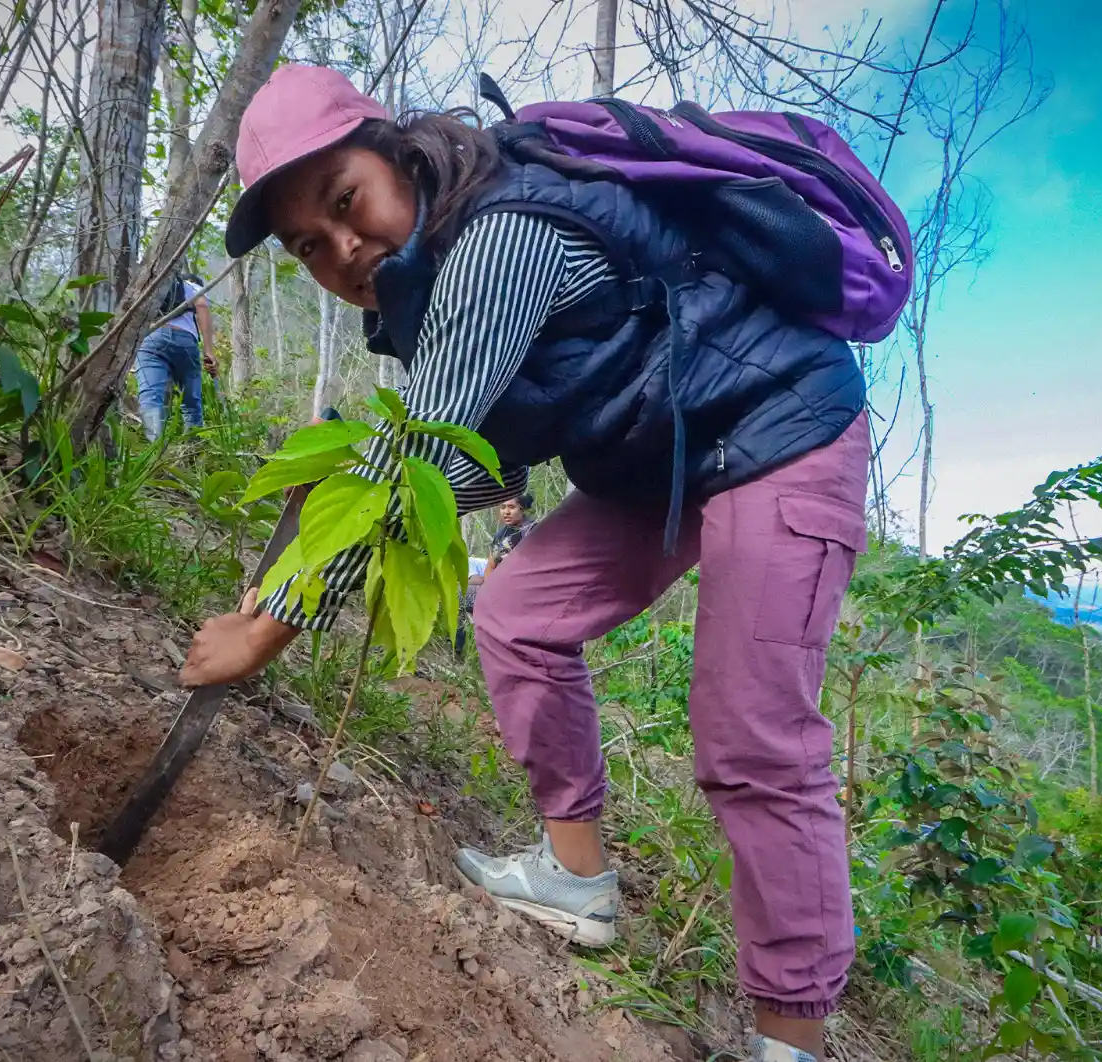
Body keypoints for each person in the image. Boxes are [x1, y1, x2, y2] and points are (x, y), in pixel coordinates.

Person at [180, 64, 869, 1062]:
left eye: (345, 202)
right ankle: (576, 879)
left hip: (782, 424)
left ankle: (790, 1040)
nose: (343, 248)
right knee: (518, 615)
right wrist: (293, 564)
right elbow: (468, 465)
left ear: (396, 151)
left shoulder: (502, 234)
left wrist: (267, 626)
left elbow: (418, 452)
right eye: (308, 246)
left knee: (752, 732)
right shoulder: (427, 291)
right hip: (659, 456)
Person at [136, 273, 215, 441]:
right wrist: (208, 350)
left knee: (150, 396)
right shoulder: (192, 286)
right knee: (191, 401)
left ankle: (154, 450)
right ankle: (193, 450)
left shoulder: (150, 281)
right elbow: (202, 305)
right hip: (184, 340)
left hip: (150, 338)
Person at [456, 494, 536, 657]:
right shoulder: (502, 534)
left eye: (511, 507)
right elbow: (491, 565)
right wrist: (489, 590)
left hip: (524, 594)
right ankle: (457, 650)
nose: (506, 512)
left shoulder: (533, 532)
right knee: (459, 593)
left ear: (522, 508)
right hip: (498, 589)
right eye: (503, 507)